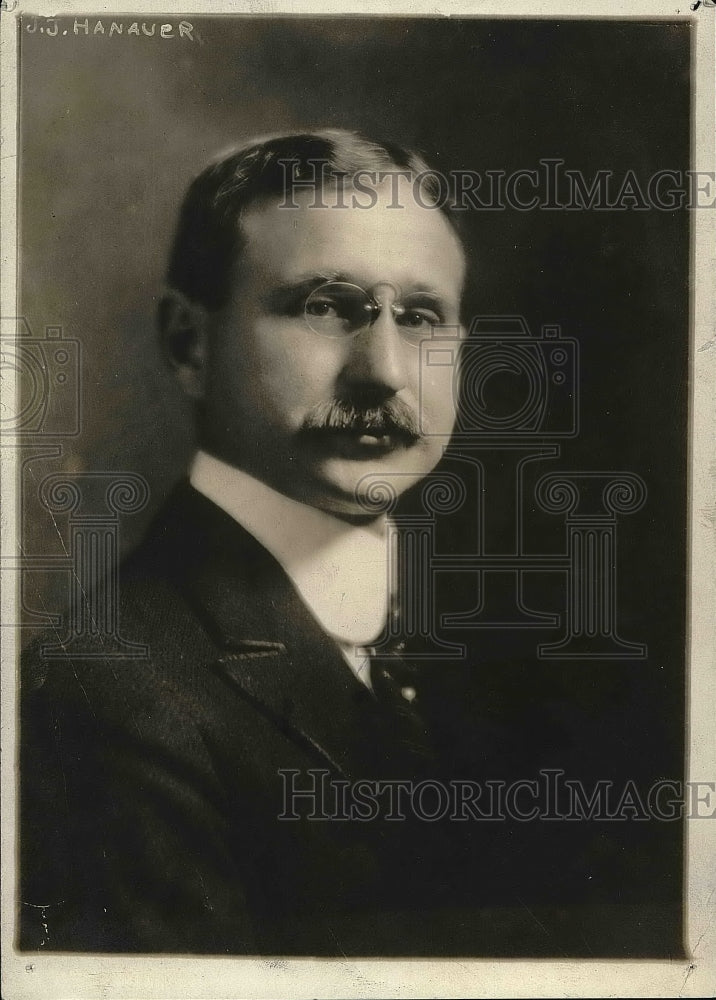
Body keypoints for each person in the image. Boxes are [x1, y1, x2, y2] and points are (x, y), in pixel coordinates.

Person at [20, 130, 481, 955]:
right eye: (324, 307)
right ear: (188, 344)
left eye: (420, 317)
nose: (383, 371)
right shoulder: (109, 693)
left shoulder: (503, 643)